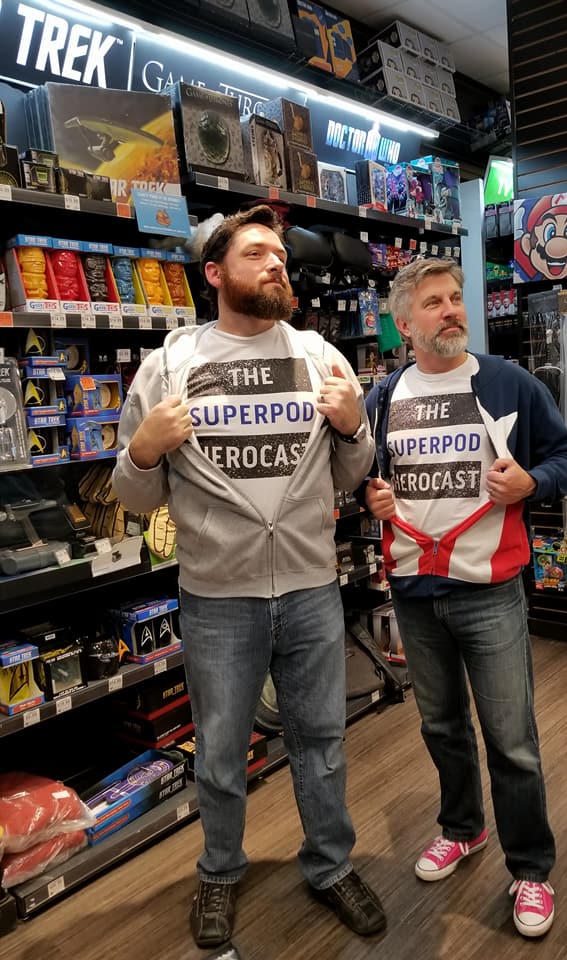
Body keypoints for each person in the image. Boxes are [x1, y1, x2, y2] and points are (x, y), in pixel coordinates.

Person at [112, 205, 386, 949]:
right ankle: (220, 870)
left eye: (280, 257)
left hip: (310, 588)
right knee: (221, 751)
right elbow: (133, 497)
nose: (276, 265)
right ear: (214, 273)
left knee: (322, 740)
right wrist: (142, 449)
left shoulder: (320, 356)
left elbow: (351, 475)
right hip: (217, 599)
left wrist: (354, 427)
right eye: (257, 254)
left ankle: (331, 865)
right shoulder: (169, 365)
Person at [361, 257, 567, 938]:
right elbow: (364, 476)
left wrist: (532, 484)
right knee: (441, 727)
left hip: (490, 591)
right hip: (413, 592)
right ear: (404, 324)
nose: (452, 310)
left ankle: (531, 870)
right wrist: (369, 497)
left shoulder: (509, 383)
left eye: (456, 298)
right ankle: (462, 829)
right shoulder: (382, 398)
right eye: (434, 302)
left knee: (511, 740)